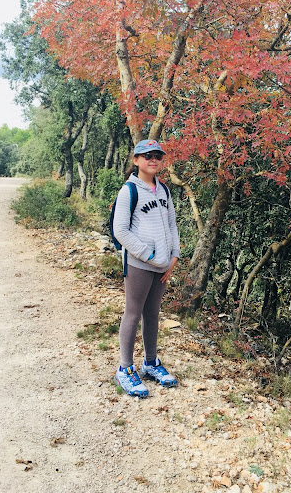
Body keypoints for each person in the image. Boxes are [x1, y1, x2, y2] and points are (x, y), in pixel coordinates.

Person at [112, 139, 180, 397]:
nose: (153, 159)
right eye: (147, 155)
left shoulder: (163, 189)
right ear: (136, 160)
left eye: (158, 156)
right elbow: (121, 231)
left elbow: (172, 224)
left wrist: (174, 256)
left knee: (152, 314)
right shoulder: (129, 190)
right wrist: (150, 254)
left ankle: (150, 362)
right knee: (133, 312)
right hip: (140, 263)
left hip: (163, 265)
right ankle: (125, 369)